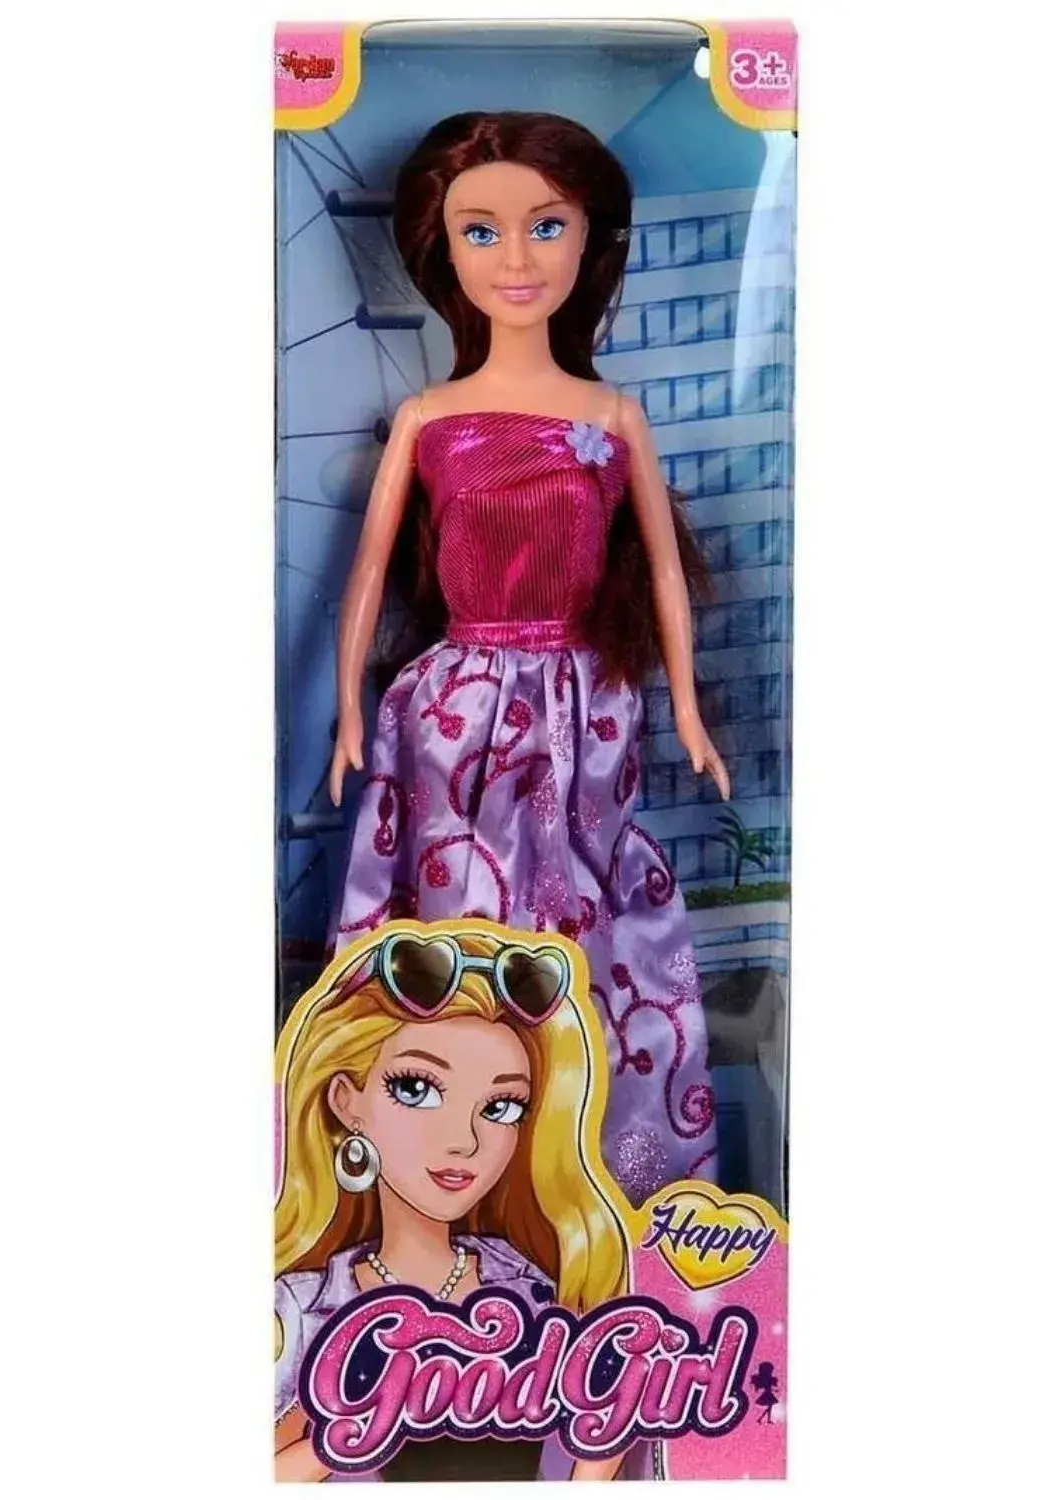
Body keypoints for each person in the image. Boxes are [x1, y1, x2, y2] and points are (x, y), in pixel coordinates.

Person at [327, 111, 726, 1205]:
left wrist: (686, 708)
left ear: (589, 240)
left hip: (584, 704)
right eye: (481, 231)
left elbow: (660, 574)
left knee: (587, 911)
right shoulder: (430, 418)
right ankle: (446, 1173)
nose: (516, 259)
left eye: (547, 226)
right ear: (441, 248)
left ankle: (595, 1164)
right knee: (455, 915)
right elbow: (368, 574)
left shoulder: (611, 416)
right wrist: (351, 709)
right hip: (455, 707)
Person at [274, 922, 647, 1481]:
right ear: (347, 1102)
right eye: (415, 1088)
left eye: (502, 1107)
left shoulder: (527, 1285)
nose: (465, 1141)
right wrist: (367, 1421)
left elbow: (608, 1418)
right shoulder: (307, 1308)